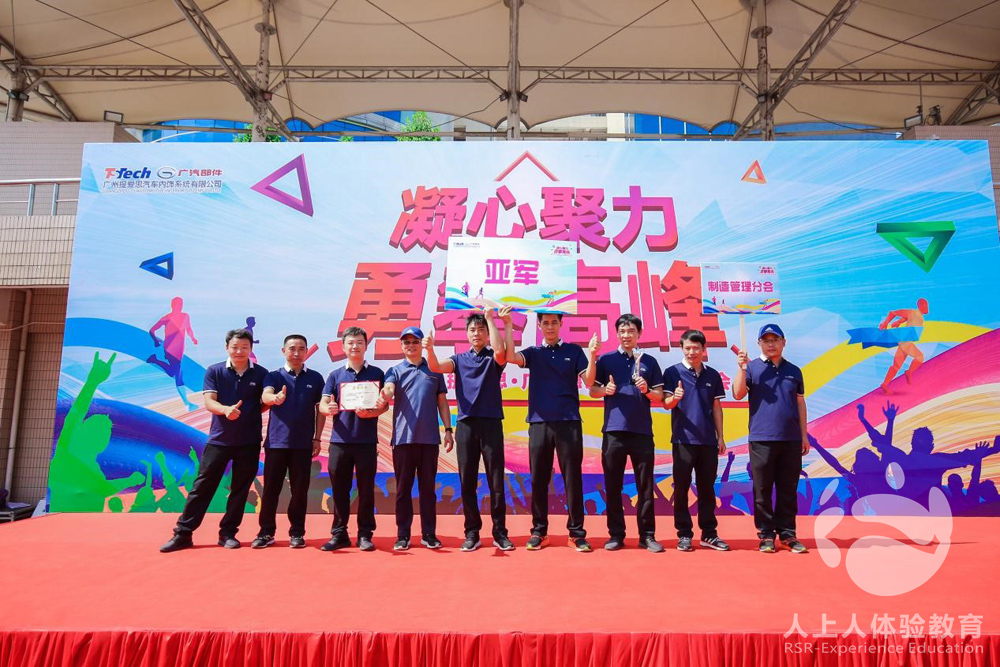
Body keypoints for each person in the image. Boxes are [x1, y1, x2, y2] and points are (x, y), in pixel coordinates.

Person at [160, 329, 268, 552]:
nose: (239, 351)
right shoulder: (215, 371)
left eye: (244, 347)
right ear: (227, 347)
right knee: (202, 486)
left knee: (240, 490)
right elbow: (209, 402)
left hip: (249, 441)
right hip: (219, 440)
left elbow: (264, 402)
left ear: (251, 349)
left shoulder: (261, 373)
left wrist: (253, 411)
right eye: (235, 347)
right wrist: (225, 410)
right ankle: (183, 533)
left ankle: (228, 533)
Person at [507, 312, 598, 551]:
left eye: (554, 322)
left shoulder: (574, 351)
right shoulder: (534, 353)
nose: (550, 327)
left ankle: (576, 533)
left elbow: (589, 381)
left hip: (569, 422)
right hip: (539, 423)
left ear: (561, 324)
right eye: (545, 323)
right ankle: (539, 532)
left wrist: (593, 355)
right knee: (538, 478)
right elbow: (510, 357)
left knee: (572, 478)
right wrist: (507, 325)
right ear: (539, 326)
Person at [426, 306, 514, 552]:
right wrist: (429, 349)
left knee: (496, 480)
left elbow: (501, 351)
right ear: (467, 334)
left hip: (491, 423)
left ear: (487, 333)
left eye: (481, 330)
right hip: (466, 425)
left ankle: (500, 532)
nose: (477, 333)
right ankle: (472, 532)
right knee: (467, 481)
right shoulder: (458, 359)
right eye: (473, 330)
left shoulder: (494, 358)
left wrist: (490, 318)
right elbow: (435, 367)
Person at [589, 314, 665, 552]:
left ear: (639, 333)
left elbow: (659, 396)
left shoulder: (649, 361)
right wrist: (606, 390)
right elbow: (592, 390)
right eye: (622, 331)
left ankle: (647, 535)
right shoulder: (606, 360)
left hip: (642, 431)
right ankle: (616, 534)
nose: (626, 335)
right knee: (613, 485)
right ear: (617, 334)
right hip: (614, 431)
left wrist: (646, 390)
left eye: (631, 331)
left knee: (645, 486)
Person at [732, 323, 809, 554]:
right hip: (761, 438)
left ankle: (787, 534)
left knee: (788, 488)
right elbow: (738, 394)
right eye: (766, 340)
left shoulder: (794, 371)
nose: (771, 344)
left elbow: (800, 403)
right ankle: (766, 534)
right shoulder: (752, 368)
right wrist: (742, 368)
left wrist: (804, 435)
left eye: (775, 339)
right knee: (762, 489)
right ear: (759, 344)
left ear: (784, 342)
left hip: (790, 439)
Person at [375, 327, 453, 551]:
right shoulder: (395, 370)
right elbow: (389, 388)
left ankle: (429, 534)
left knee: (428, 489)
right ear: (402, 346)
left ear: (422, 344)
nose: (411, 345)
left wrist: (448, 429)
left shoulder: (434, 370)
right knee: (403, 490)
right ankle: (403, 535)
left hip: (429, 440)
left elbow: (442, 403)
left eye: (415, 341)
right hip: (403, 439)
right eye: (406, 342)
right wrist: (385, 393)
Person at [251, 334, 326, 549]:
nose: (296, 353)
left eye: (301, 349)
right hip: (277, 443)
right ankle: (266, 532)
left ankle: (297, 533)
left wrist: (317, 438)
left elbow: (320, 410)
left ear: (306, 352)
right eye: (292, 348)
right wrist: (274, 399)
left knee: (299, 491)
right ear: (283, 351)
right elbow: (265, 396)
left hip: (303, 444)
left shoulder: (315, 378)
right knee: (271, 490)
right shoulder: (274, 376)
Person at [319, 327, 387, 552]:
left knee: (366, 490)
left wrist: (373, 412)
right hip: (340, 441)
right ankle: (339, 534)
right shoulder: (335, 375)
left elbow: (384, 406)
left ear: (366, 346)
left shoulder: (377, 373)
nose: (355, 346)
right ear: (343, 347)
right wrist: (328, 408)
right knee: (339, 489)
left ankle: (365, 534)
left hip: (366, 442)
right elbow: (323, 404)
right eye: (350, 342)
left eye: (359, 342)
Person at [662, 329, 730, 552]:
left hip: (708, 441)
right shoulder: (672, 372)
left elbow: (717, 407)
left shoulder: (713, 375)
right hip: (683, 440)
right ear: (682, 349)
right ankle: (684, 534)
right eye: (687, 348)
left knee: (707, 489)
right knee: (681, 488)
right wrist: (675, 398)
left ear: (704, 349)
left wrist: (720, 436)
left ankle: (709, 534)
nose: (692, 352)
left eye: (696, 348)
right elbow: (666, 404)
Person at [147, 296, 199, 410]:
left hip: (180, 349)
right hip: (170, 349)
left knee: (173, 372)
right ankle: (187, 404)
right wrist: (155, 341)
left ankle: (154, 360)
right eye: (177, 305)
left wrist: (193, 338)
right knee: (178, 374)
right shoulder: (167, 318)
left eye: (181, 304)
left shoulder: (185, 316)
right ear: (172, 306)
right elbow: (151, 330)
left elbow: (188, 329)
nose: (180, 307)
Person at [879, 298, 928, 393]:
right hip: (906, 342)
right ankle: (909, 372)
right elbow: (893, 313)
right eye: (925, 305)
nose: (927, 308)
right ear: (921, 306)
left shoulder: (917, 315)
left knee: (896, 366)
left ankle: (884, 384)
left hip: (904, 343)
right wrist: (885, 323)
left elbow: (906, 318)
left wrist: (899, 322)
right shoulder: (913, 312)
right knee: (920, 357)